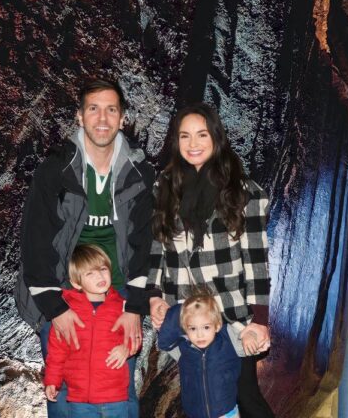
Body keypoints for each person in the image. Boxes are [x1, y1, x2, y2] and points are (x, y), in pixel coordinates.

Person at [15, 78, 154, 418]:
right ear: (79, 116)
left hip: (118, 299)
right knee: (64, 393)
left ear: (123, 118)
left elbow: (149, 242)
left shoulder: (140, 174)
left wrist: (135, 307)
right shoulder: (55, 172)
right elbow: (34, 240)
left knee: (120, 391)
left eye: (111, 109)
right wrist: (55, 308)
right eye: (93, 108)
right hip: (63, 295)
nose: (102, 118)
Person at [147, 102, 275, 417]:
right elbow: (157, 248)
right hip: (189, 317)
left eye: (202, 135)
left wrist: (259, 320)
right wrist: (153, 296)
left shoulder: (244, 192)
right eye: (185, 136)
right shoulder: (165, 187)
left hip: (232, 316)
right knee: (206, 401)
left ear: (215, 138)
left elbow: (257, 260)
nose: (193, 144)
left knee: (246, 395)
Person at [44, 245, 130, 417]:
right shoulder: (66, 312)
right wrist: (52, 380)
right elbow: (57, 350)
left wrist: (127, 348)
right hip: (80, 400)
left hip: (115, 397)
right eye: (90, 273)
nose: (99, 275)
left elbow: (134, 335)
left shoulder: (121, 306)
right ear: (76, 282)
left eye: (103, 269)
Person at [157, 288, 259, 418]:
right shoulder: (184, 349)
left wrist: (249, 335)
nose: (200, 334)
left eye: (206, 327)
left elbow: (248, 342)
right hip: (195, 414)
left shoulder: (228, 340)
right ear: (185, 328)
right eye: (193, 328)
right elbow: (164, 342)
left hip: (226, 412)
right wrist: (179, 311)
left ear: (217, 325)